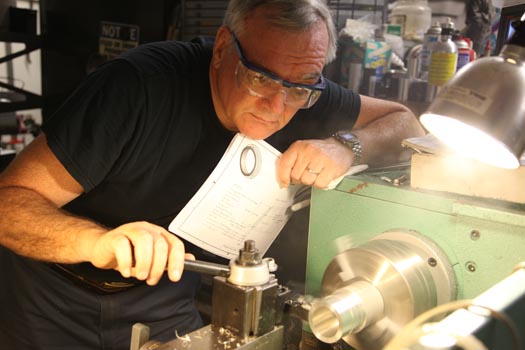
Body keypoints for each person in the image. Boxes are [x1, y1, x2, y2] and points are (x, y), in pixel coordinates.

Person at [0, 0, 425, 349]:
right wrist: (97, 242)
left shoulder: (299, 84)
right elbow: (8, 204)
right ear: (223, 48)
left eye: (299, 88)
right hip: (52, 294)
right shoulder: (138, 88)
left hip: (163, 293)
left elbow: (404, 121)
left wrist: (346, 146)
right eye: (260, 79)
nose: (277, 107)